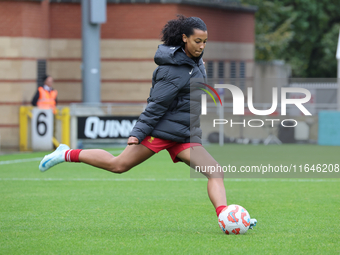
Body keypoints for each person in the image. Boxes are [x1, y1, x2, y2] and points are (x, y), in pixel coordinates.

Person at [39, 15, 256, 230]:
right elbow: (156, 105)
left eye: (205, 41)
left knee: (215, 171)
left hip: (184, 135)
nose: (202, 46)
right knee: (118, 165)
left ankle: (229, 218)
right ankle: (65, 153)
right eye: (197, 41)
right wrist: (138, 132)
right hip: (161, 131)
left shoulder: (196, 63)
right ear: (184, 39)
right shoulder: (173, 70)